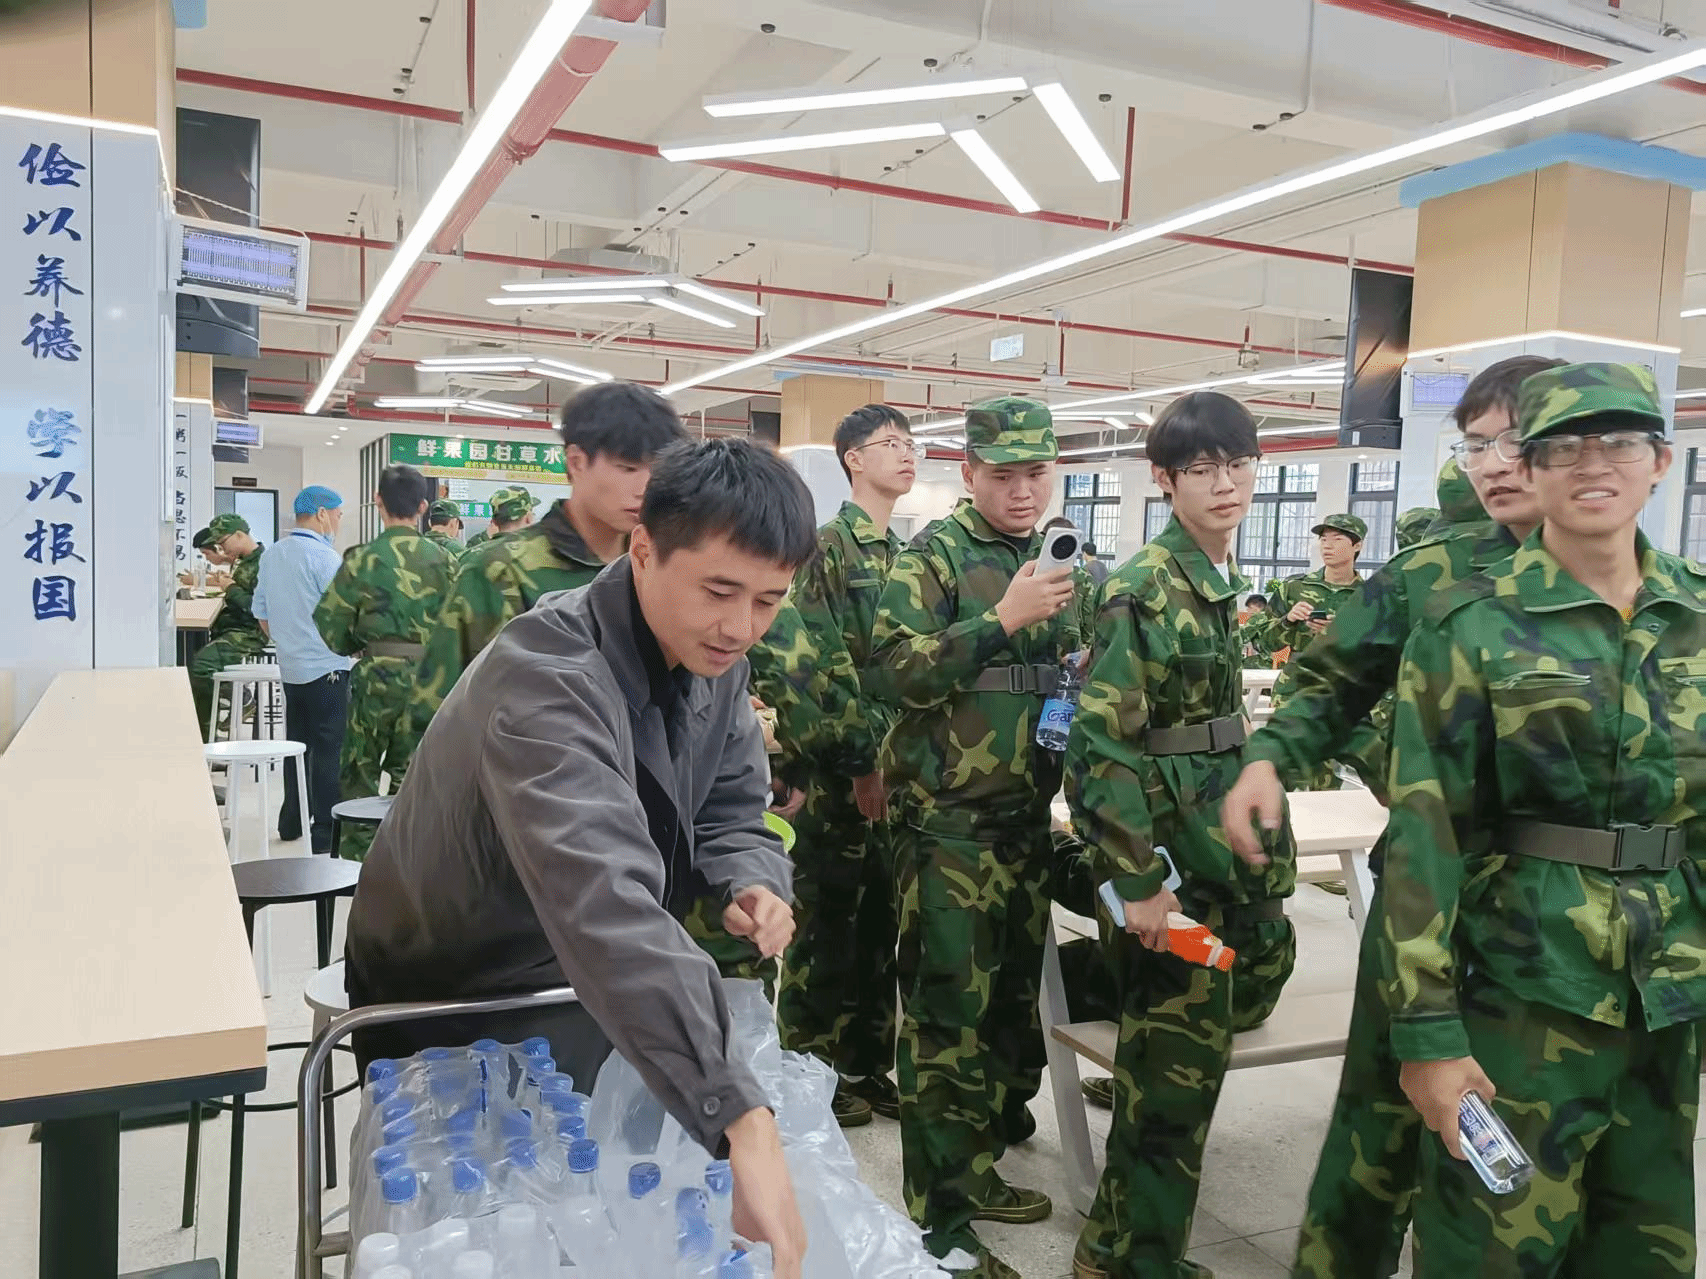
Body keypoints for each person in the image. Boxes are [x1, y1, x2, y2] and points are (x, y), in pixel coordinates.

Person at [344, 438, 814, 1279]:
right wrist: (739, 1113)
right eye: (719, 591)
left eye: (768, 601)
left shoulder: (713, 662)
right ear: (644, 549)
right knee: (478, 1229)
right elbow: (603, 895)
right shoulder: (546, 674)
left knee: (586, 1209)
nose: (741, 627)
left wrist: (749, 875)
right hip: (456, 990)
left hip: (581, 981)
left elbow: (733, 806)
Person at [1220, 354, 1563, 1279]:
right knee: (1376, 1134)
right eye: (1477, 445)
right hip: (1428, 896)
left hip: (1564, 927)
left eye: (1517, 441)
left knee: (1527, 1154)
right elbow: (1327, 684)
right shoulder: (1432, 573)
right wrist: (1269, 755)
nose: (1494, 464)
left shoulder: (1644, 591)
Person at [1378, 362, 1705, 1276]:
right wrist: (1428, 1036)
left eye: (1620, 441)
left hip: (1669, 999)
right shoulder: (1471, 624)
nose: (1592, 463)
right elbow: (1424, 838)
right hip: (1521, 994)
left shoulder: (1697, 615)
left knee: (1645, 1251)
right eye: (1562, 446)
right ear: (1531, 466)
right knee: (1489, 1249)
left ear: (1661, 462)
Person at [1065, 392, 1297, 1279]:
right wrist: (1138, 884)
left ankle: (1117, 1250)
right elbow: (1100, 746)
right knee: (1172, 1077)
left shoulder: (1217, 579)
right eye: (1202, 468)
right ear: (1165, 480)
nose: (1225, 483)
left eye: (1239, 464)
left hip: (1218, 857)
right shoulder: (1144, 587)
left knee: (1176, 1067)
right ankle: (1134, 1259)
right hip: (1172, 872)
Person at [868, 396, 1082, 1279]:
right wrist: (1004, 619)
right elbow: (891, 672)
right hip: (947, 830)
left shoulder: (1057, 559)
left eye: (1037, 472)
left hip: (1026, 824)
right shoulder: (935, 558)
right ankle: (940, 1226)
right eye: (1004, 474)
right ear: (969, 473)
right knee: (945, 1025)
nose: (1023, 490)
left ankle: (976, 1168)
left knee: (1002, 1018)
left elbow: (1068, 681)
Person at [776, 403, 916, 1128]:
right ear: (853, 460)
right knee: (826, 924)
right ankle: (807, 1069)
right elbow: (815, 668)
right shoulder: (829, 548)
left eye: (911, 443)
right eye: (890, 443)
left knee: (880, 925)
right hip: (840, 773)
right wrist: (860, 762)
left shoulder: (906, 555)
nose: (907, 453)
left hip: (899, 772)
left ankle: (865, 1065)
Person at [411, 382, 687, 727]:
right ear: (576, 462)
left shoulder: (660, 568)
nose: (644, 487)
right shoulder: (500, 572)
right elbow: (436, 709)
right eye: (628, 468)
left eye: (656, 470)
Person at [314, 464, 455, 858]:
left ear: (378, 501)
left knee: (358, 773)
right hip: (429, 681)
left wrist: (359, 646)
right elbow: (460, 625)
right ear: (423, 506)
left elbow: (330, 626)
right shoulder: (445, 561)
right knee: (416, 774)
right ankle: (408, 860)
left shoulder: (361, 559)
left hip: (374, 678)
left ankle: (357, 865)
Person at [254, 486, 352, 855]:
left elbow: (262, 614)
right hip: (327, 667)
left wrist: (289, 643)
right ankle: (325, 831)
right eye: (338, 515)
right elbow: (343, 613)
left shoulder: (272, 554)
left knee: (297, 745)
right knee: (329, 749)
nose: (338, 523)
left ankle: (291, 820)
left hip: (291, 669)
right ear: (323, 513)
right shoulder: (325, 558)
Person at [1245, 513, 1368, 789]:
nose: (1327, 545)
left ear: (1357, 546)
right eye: (1323, 539)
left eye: (1337, 539)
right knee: (1280, 780)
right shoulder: (1295, 588)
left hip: (1338, 697)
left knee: (1324, 786)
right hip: (1294, 693)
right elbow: (1263, 642)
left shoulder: (1368, 596)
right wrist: (1288, 620)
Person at [187, 513, 267, 738]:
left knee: (201, 665)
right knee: (195, 659)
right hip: (231, 628)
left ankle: (207, 737)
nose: (222, 550)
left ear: (239, 535)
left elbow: (256, 608)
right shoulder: (243, 561)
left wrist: (231, 588)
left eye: (223, 543)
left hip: (249, 633)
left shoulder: (263, 564)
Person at [464, 484, 534, 550]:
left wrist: (486, 538)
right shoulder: (536, 552)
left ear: (494, 521)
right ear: (529, 518)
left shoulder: (478, 552)